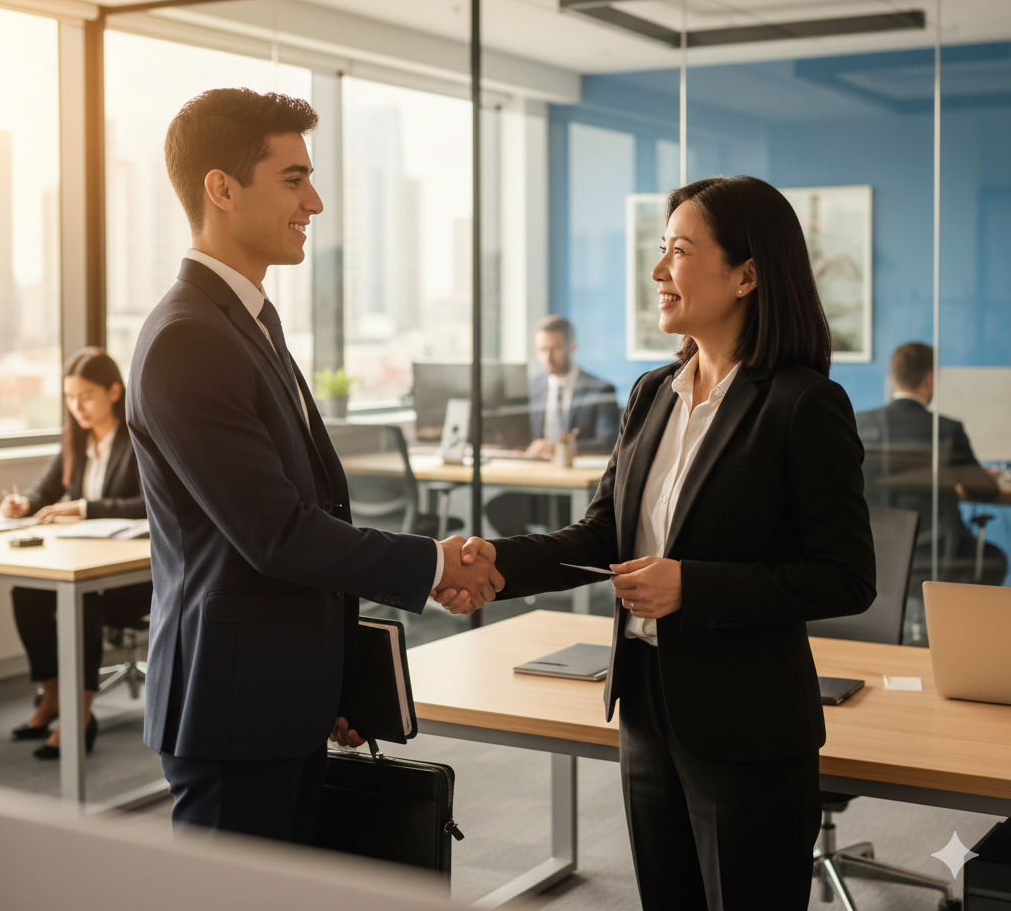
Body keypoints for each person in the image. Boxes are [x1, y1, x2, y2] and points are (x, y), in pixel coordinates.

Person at [440, 176, 876, 911]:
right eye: (660, 249)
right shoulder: (652, 393)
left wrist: (692, 587)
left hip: (748, 728)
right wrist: (497, 563)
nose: (657, 271)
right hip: (646, 706)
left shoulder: (803, 403)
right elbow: (603, 533)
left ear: (747, 274)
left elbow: (844, 576)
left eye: (678, 250)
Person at [127, 88, 500, 845]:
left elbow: (306, 517)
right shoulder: (189, 337)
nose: (316, 201)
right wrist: (433, 562)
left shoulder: (249, 322)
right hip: (231, 705)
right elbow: (277, 533)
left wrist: (326, 675)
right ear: (222, 189)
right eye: (293, 178)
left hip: (276, 691)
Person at [3, 347, 150, 760]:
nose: (77, 406)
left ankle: (81, 715)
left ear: (114, 392)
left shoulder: (139, 440)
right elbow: (43, 491)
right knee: (27, 592)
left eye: (86, 395)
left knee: (82, 599)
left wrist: (83, 507)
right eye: (70, 397)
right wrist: (24, 504)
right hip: (86, 560)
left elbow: (147, 503)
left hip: (133, 576)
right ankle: (51, 699)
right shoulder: (76, 441)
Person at [856, 341, 1004, 583]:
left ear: (893, 377)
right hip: (936, 553)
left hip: (876, 551)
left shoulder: (860, 424)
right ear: (929, 378)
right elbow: (986, 490)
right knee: (995, 558)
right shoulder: (946, 429)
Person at [485, 315, 619, 536]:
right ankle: (533, 559)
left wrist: (559, 448)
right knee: (498, 509)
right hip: (536, 483)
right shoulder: (530, 387)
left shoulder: (599, 389)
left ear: (572, 347)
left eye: (555, 348)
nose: (547, 357)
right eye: (541, 349)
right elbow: (515, 434)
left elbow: (608, 441)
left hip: (576, 490)